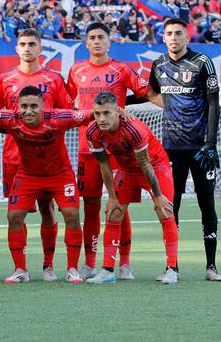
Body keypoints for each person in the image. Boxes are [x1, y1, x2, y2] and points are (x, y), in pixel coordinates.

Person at [65, 22, 156, 280]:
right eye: (91, 37)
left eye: (101, 37)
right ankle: (90, 263)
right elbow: (68, 101)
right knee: (91, 205)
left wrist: (170, 106)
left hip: (119, 150)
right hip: (88, 147)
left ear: (109, 41)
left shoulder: (121, 69)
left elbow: (144, 91)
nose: (96, 41)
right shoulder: (76, 70)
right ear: (86, 42)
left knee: (119, 206)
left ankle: (124, 263)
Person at [0, 28, 75, 281]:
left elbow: (66, 115)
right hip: (15, 158)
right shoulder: (4, 80)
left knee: (49, 210)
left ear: (40, 49)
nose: (27, 48)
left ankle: (48, 267)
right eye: (22, 44)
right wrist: (19, 130)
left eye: (31, 44)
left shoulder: (54, 80)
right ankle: (20, 269)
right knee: (17, 214)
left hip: (50, 158)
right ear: (16, 49)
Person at [0, 86, 92, 284]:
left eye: (34, 106)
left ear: (44, 106)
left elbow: (91, 114)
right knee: (14, 216)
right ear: (18, 107)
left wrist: (119, 111)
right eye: (24, 106)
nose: (28, 110)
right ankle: (20, 270)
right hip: (28, 175)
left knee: (72, 214)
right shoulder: (11, 118)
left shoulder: (59, 118)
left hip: (60, 175)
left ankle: (71, 269)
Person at [147, 18, 221, 282]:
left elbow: (214, 103)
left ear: (186, 36)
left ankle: (211, 266)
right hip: (170, 149)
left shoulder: (202, 62)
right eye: (169, 33)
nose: (174, 37)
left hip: (201, 148)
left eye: (178, 33)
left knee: (207, 203)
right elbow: (150, 93)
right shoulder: (158, 65)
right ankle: (173, 267)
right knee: (172, 206)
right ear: (164, 37)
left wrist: (211, 142)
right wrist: (168, 106)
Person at [85, 91, 179, 284]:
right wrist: (111, 197)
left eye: (106, 113)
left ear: (118, 112)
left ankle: (172, 269)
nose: (101, 119)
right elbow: (104, 165)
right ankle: (107, 270)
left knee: (165, 211)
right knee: (113, 213)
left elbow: (145, 164)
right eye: (97, 113)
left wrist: (159, 196)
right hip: (126, 170)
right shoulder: (93, 132)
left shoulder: (133, 129)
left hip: (155, 166)